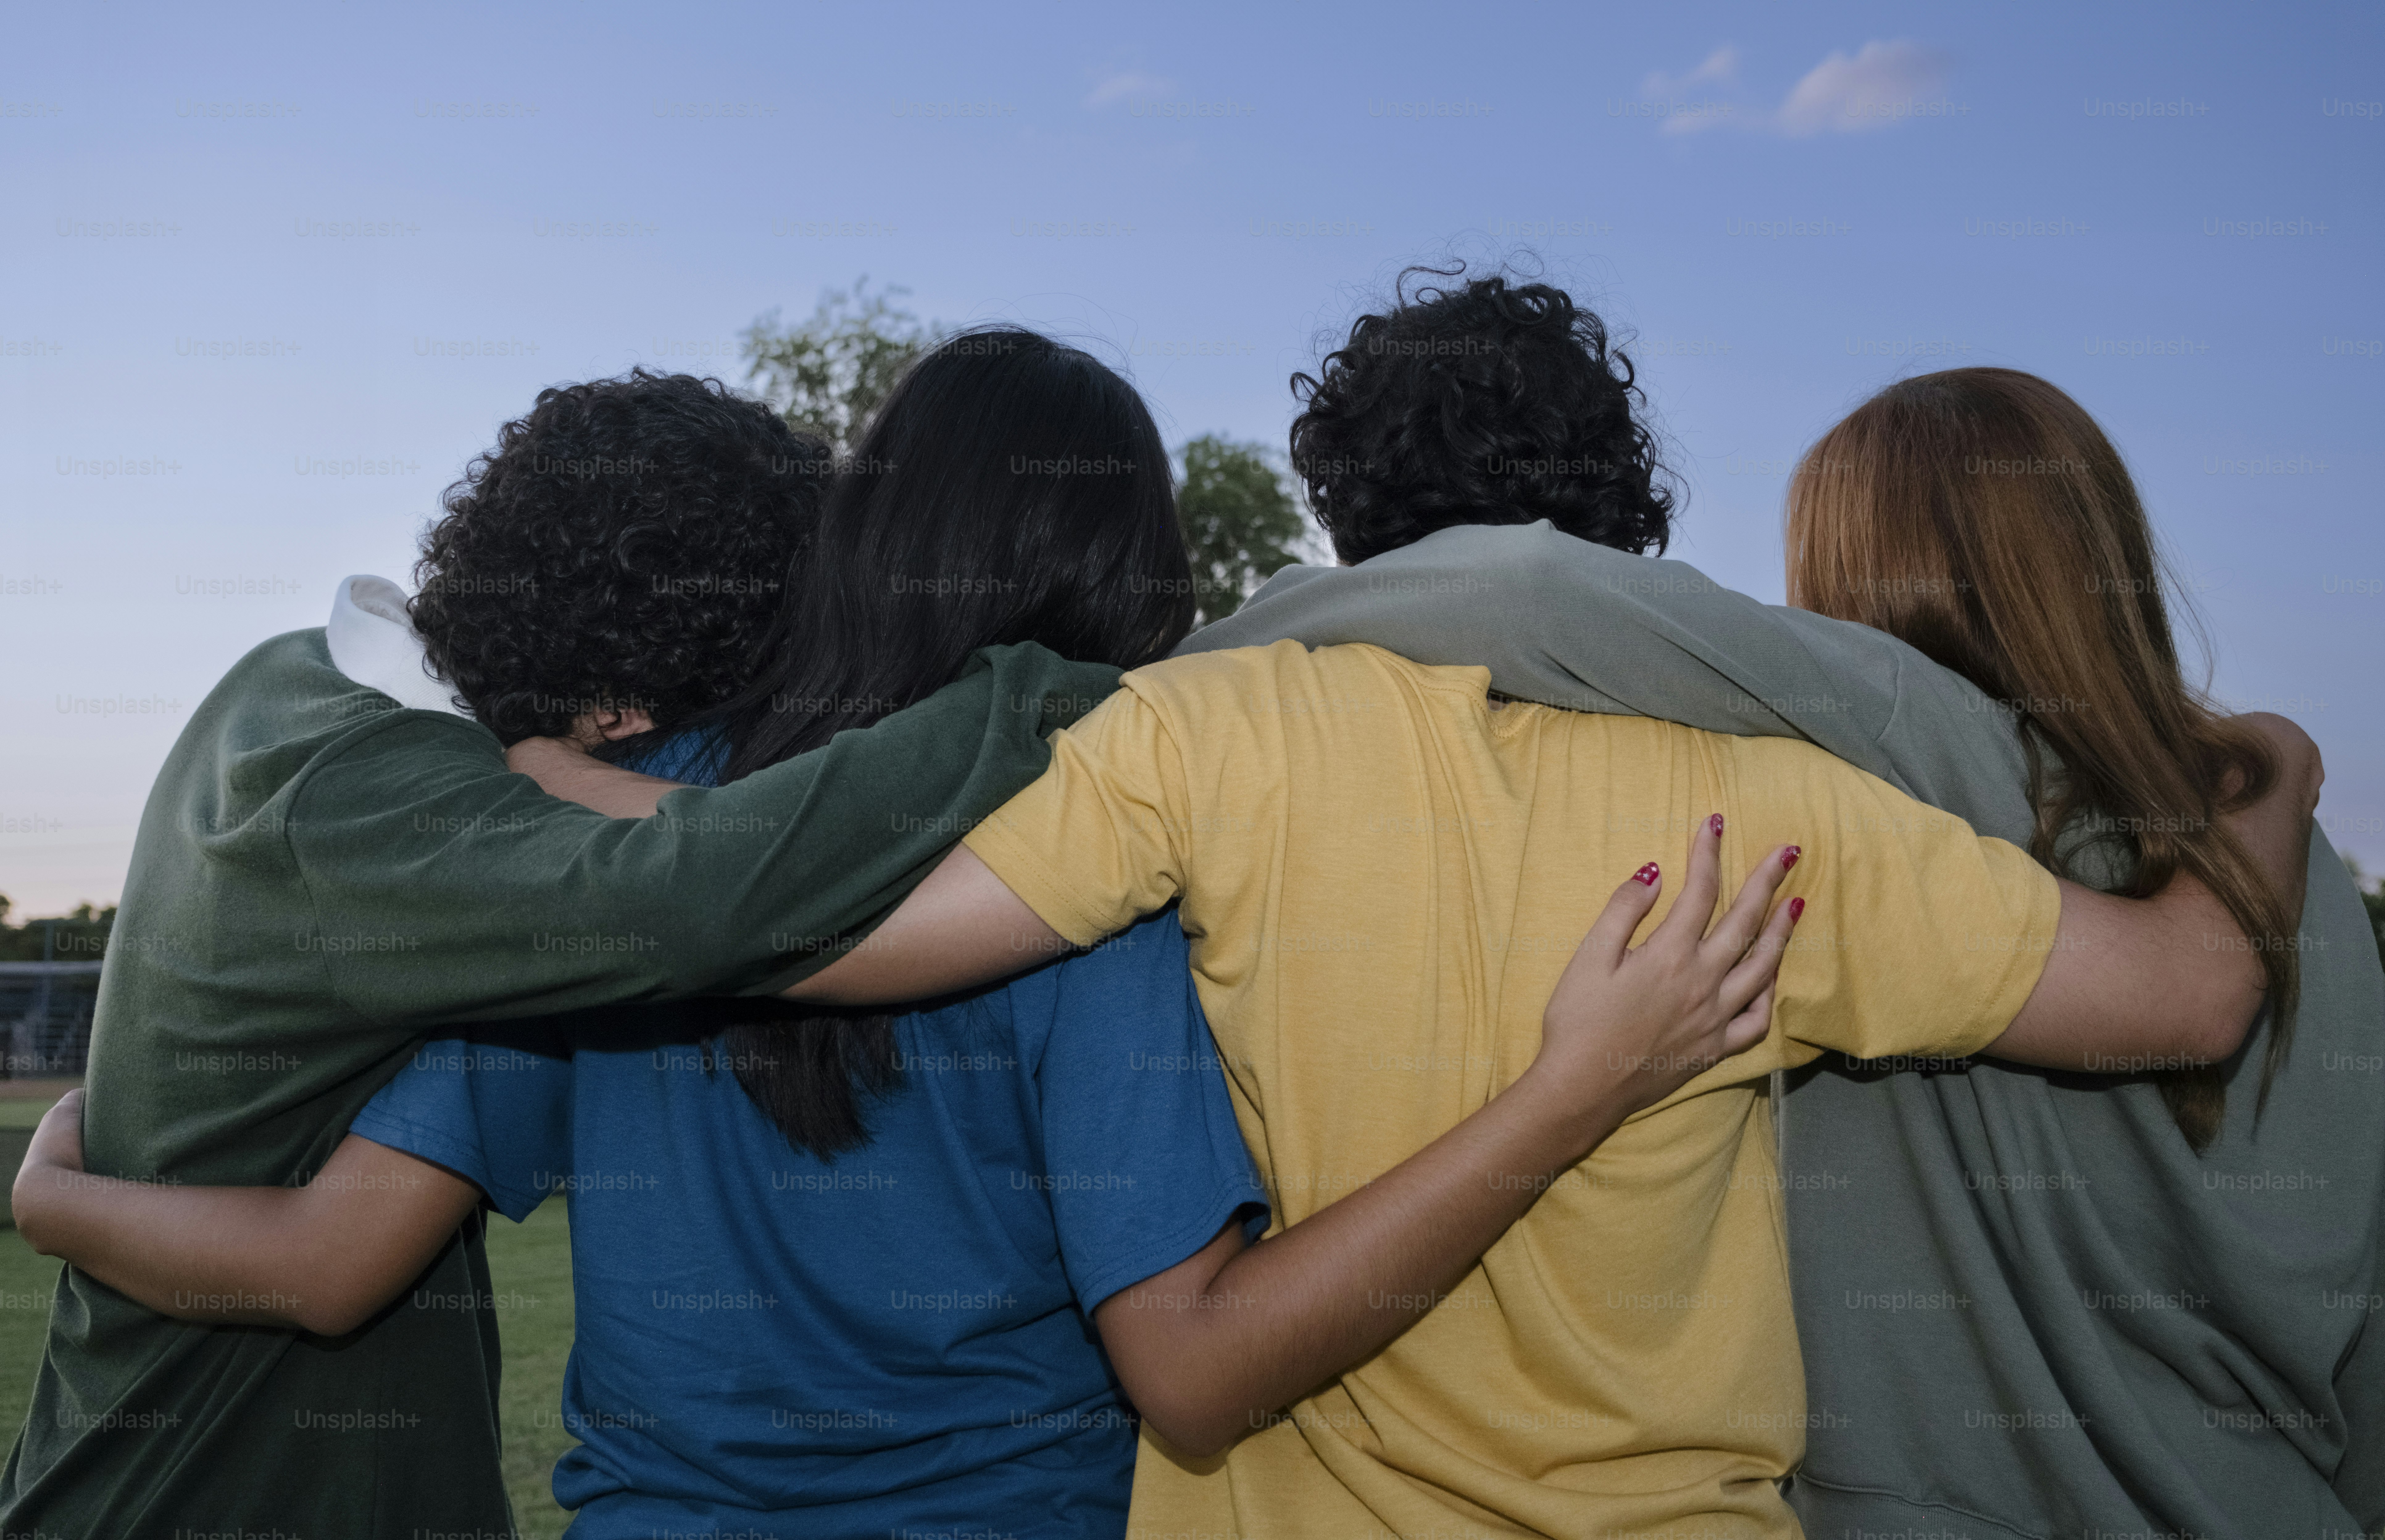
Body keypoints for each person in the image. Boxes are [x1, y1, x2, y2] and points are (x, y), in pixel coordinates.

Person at [485, 315, 2320, 1534]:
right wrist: (2270, 769)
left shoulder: (1194, 734)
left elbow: (821, 920)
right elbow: (2188, 996)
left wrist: (571, 789)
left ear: (1349, 512)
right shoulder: (1781, 814)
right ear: (1626, 513)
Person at [14, 330, 1804, 1540]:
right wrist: (1567, 1092)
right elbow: (1194, 1367)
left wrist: (58, 1195)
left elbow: (336, 1250)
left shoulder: (593, 838)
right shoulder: (1090, 877)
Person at [1160, 274, 2381, 1535]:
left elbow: (1523, 586)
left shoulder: (1899, 740)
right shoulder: (2284, 861)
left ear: (1866, 567)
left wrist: (1204, 658)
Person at [0, 369, 1122, 1540]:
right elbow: (704, 903)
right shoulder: (399, 807)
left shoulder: (288, 681)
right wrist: (1033, 688)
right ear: (625, 714)